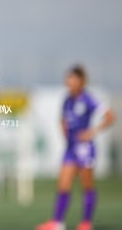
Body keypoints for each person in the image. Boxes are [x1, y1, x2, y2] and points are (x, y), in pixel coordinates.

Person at [35, 65, 115, 230]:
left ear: (81, 81)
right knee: (63, 183)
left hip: (85, 148)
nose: (69, 83)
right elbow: (63, 119)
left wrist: (91, 132)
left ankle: (86, 222)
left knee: (87, 184)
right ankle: (57, 222)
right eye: (68, 80)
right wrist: (64, 129)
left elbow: (110, 116)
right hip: (71, 149)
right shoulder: (67, 100)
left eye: (72, 80)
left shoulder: (88, 99)